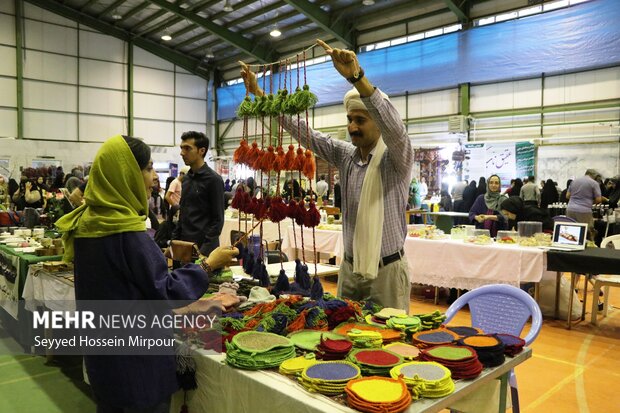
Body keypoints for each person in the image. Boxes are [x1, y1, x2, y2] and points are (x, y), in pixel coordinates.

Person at [55, 135, 238, 412]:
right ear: (128, 173)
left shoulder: (89, 222)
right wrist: (208, 264)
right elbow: (166, 291)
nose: (154, 177)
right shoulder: (125, 231)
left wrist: (153, 256)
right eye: (149, 168)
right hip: (136, 362)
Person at [241, 39, 414, 311]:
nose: (352, 127)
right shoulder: (346, 155)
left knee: (389, 342)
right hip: (349, 268)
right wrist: (260, 94)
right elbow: (304, 132)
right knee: (342, 334)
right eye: (350, 120)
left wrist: (357, 78)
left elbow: (395, 128)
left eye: (361, 120)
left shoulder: (397, 158)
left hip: (387, 273)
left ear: (379, 125)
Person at [173, 131, 225, 256]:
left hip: (204, 251)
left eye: (187, 148)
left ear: (201, 151)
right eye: (181, 148)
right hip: (184, 247)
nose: (182, 153)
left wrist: (203, 252)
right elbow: (183, 213)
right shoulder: (186, 179)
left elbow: (218, 220)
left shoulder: (214, 180)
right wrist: (175, 241)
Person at [566, 169, 607, 239]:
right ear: (594, 176)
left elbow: (567, 196)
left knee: (572, 231)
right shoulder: (594, 183)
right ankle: (588, 247)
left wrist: (576, 199)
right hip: (584, 211)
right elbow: (598, 200)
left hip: (570, 209)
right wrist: (589, 202)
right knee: (587, 233)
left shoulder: (574, 181)